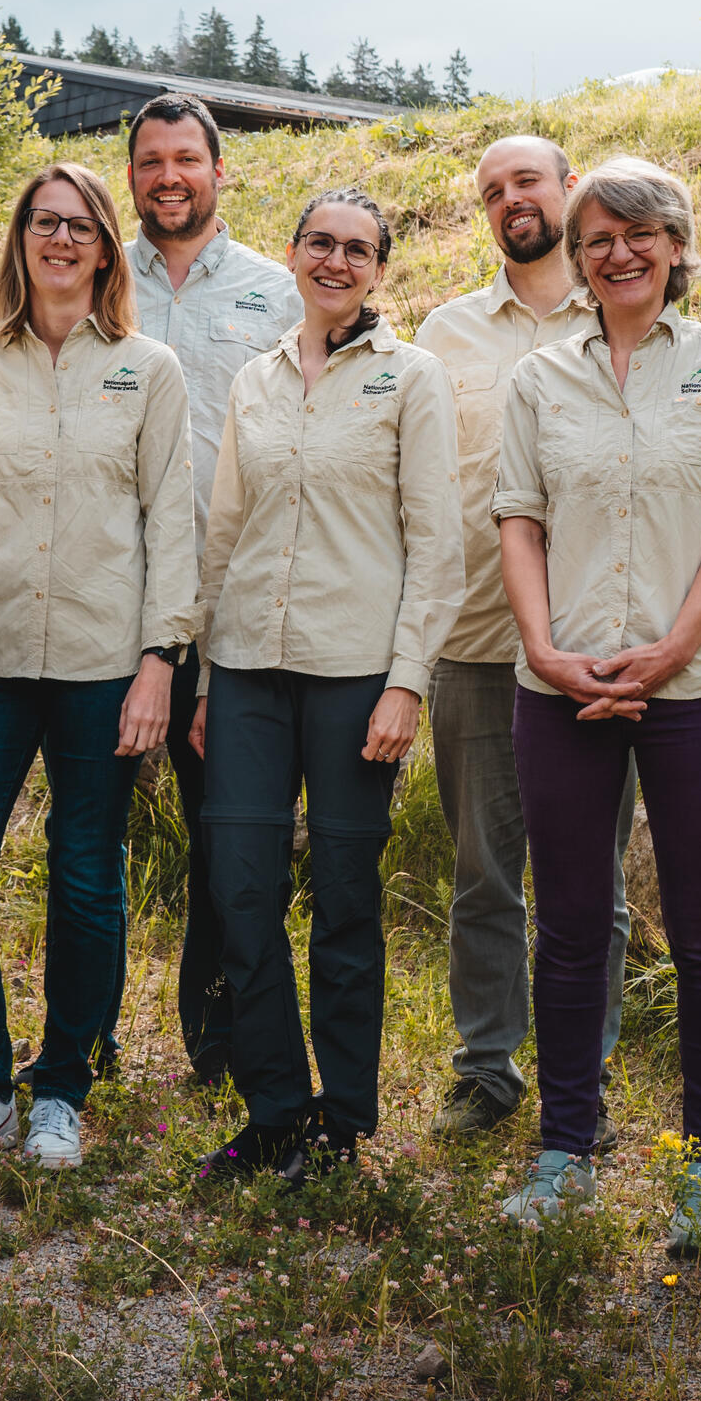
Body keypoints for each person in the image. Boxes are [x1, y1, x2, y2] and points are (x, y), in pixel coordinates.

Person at [490, 158, 701, 1255]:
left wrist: (668, 652)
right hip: (560, 686)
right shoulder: (539, 380)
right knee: (566, 926)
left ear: (674, 244)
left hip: (693, 687)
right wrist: (544, 649)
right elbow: (518, 520)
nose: (617, 252)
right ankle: (566, 1148)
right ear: (576, 257)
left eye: (637, 232)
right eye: (595, 237)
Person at [0, 164, 198, 1169]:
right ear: (20, 238)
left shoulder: (147, 368)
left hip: (102, 663)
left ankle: (63, 1087)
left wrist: (159, 660)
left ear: (105, 244)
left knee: (87, 878)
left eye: (80, 225)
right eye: (44, 223)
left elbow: (172, 521)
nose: (60, 240)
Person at [188, 188, 463, 1180]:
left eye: (357, 249)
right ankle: (274, 1111)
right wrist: (209, 679)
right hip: (249, 673)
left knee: (345, 899)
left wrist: (406, 682)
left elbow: (437, 539)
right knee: (242, 892)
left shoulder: (412, 378)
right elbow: (224, 531)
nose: (336, 260)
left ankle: (341, 1125)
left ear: (379, 270)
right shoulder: (253, 380)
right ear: (295, 256)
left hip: (356, 680)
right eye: (320, 243)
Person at [414, 136, 638, 1140]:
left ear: (568, 190)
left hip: (600, 644)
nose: (511, 199)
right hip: (474, 639)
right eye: (493, 189)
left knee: (591, 876)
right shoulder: (444, 333)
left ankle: (580, 1072)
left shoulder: (628, 314)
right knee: (482, 872)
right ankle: (487, 1067)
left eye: (528, 182)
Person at [123, 92, 304, 1087]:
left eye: (184, 158)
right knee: (88, 833)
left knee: (228, 832)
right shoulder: (101, 276)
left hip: (224, 602)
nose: (167, 176)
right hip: (110, 601)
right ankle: (86, 1035)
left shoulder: (277, 292)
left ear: (218, 170)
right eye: (150, 161)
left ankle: (221, 1031)